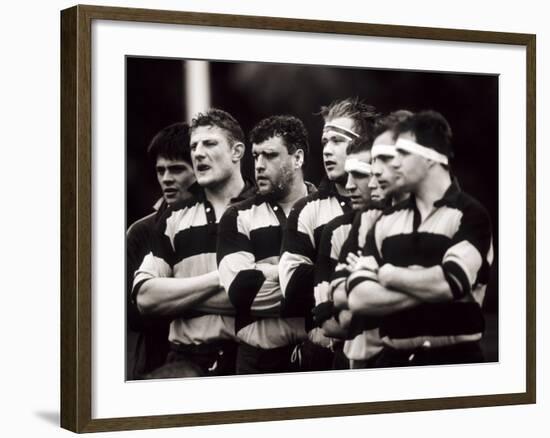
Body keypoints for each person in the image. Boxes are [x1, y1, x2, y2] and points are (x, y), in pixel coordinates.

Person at [345, 110, 493, 367]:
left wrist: (389, 275)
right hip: (392, 365)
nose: (394, 164)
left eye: (401, 154)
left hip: (456, 366)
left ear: (430, 159)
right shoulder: (385, 221)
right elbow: (358, 297)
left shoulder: (470, 214)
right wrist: (432, 284)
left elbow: (450, 283)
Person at [132, 109, 255, 377]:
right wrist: (220, 279)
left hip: (252, 360)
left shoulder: (268, 209)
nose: (198, 152)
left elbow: (279, 297)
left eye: (209, 143)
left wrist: (179, 299)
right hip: (185, 361)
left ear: (237, 152)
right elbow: (145, 298)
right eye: (194, 146)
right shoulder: (173, 216)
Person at [279, 98, 379, 371]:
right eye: (325, 142)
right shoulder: (306, 209)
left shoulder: (392, 208)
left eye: (337, 140)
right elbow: (293, 289)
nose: (327, 150)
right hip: (324, 352)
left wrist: (329, 276)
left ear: (363, 144)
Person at [217, 115, 314, 374]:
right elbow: (241, 294)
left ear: (298, 158)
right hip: (258, 361)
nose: (258, 165)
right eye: (256, 155)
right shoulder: (236, 216)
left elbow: (344, 288)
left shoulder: (329, 210)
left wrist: (267, 270)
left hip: (321, 355)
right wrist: (311, 280)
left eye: (269, 155)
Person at [126, 122, 196, 379]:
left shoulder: (228, 222)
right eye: (161, 170)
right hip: (156, 368)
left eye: (177, 169)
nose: (166, 178)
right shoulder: (141, 232)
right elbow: (135, 314)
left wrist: (167, 293)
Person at [312, 136, 383, 369]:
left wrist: (359, 281)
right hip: (348, 361)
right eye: (348, 175)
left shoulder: (404, 221)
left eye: (360, 174)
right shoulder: (343, 227)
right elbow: (329, 319)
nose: (350, 185)